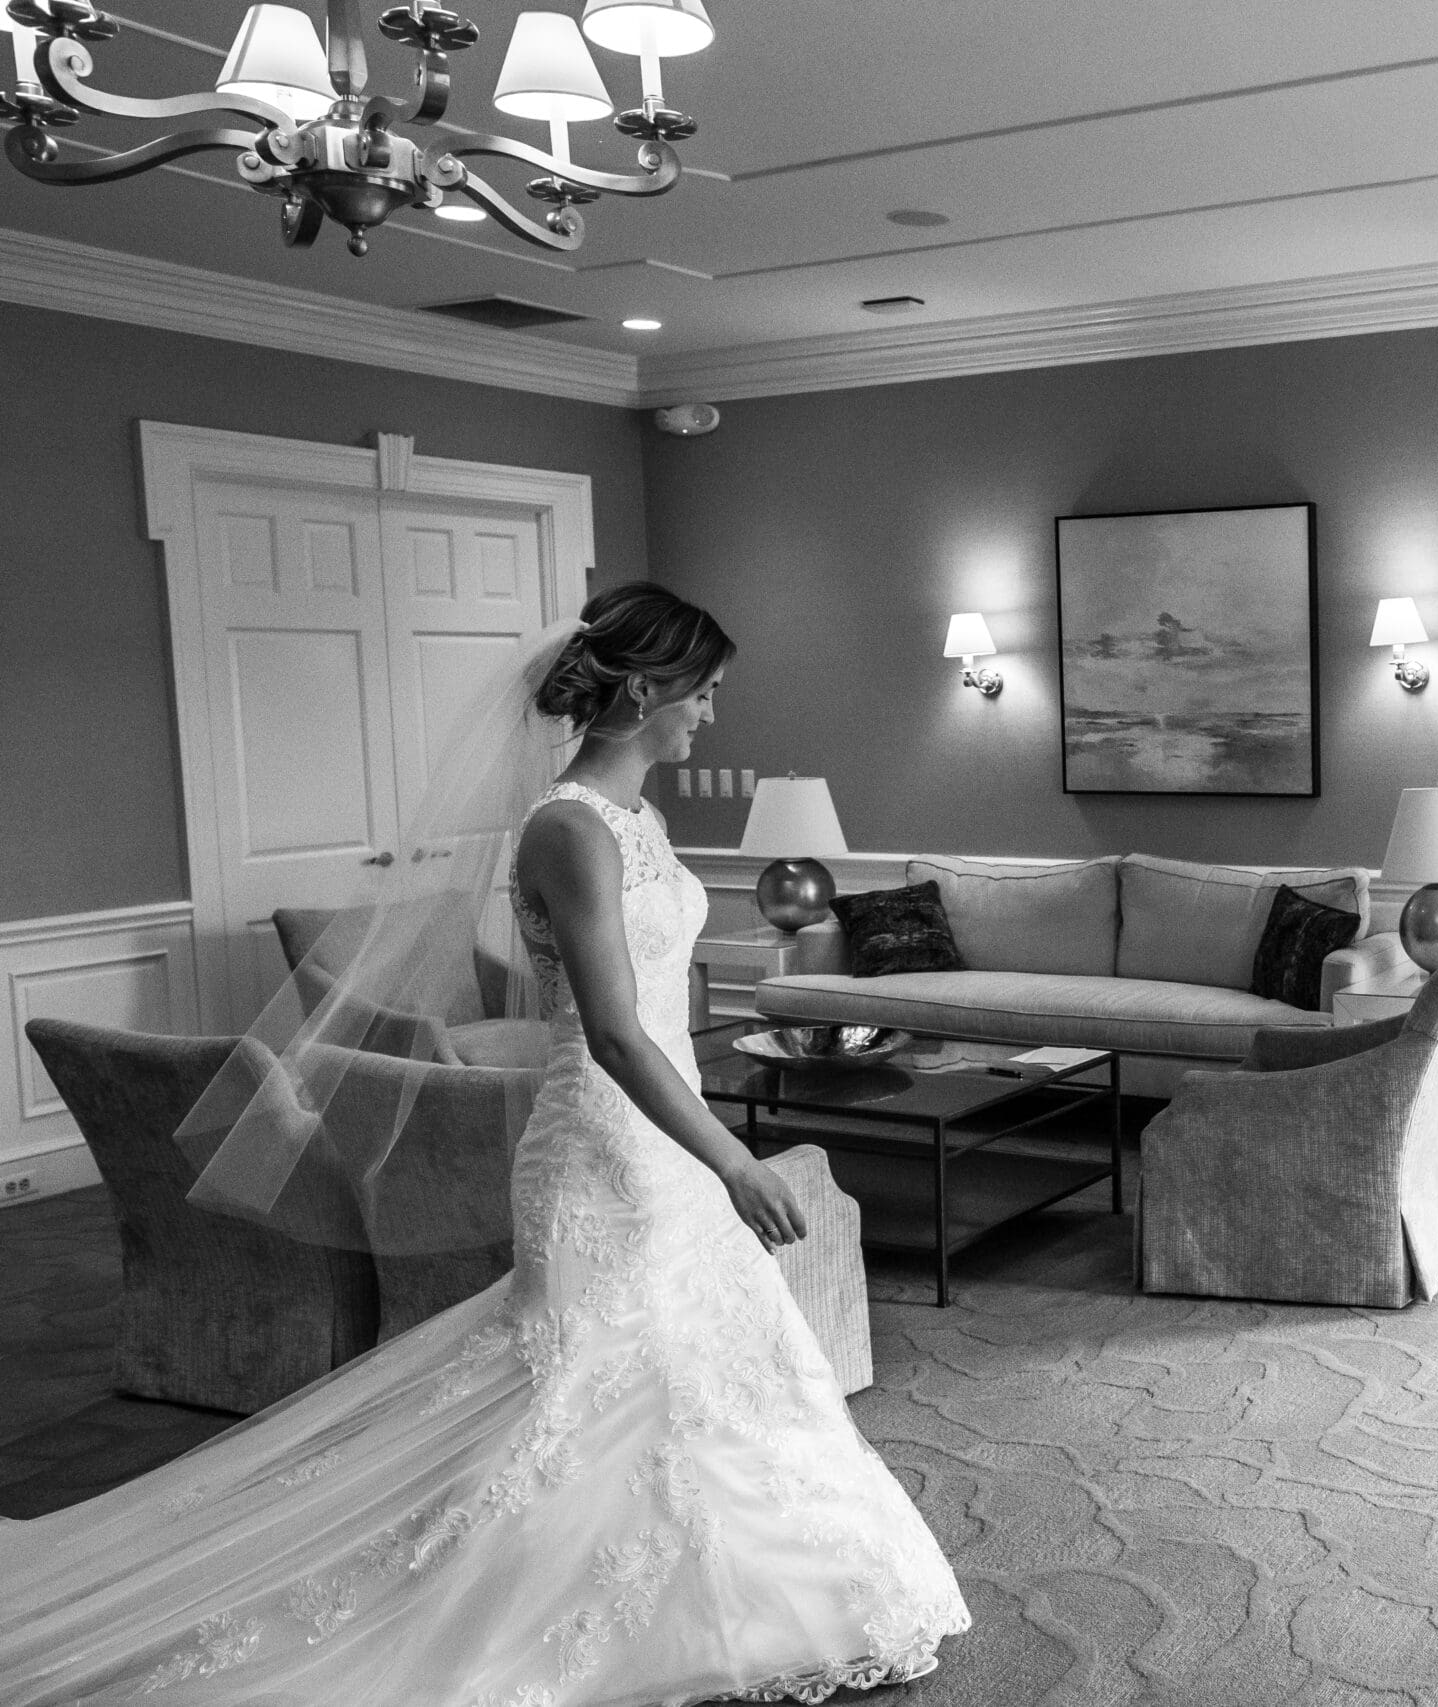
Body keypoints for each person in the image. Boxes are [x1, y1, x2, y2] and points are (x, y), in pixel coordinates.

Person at [0, 584, 970, 1701]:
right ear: (642, 690)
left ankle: (731, 1588)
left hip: (665, 1140)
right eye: (701, 692)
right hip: (603, 1148)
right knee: (589, 1383)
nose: (711, 715)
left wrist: (707, 1157)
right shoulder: (568, 829)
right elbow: (614, 1034)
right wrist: (737, 1158)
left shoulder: (641, 820)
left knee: (695, 1371)